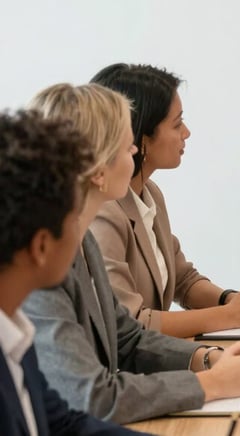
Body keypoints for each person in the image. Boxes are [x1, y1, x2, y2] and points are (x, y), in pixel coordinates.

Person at [21, 83, 240, 424]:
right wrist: (210, 384)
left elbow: (128, 338)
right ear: (97, 170)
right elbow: (93, 397)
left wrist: (209, 357)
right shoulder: (41, 267)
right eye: (128, 147)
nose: (136, 151)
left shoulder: (82, 242)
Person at [87, 63, 240, 338]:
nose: (186, 132)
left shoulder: (150, 193)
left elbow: (183, 281)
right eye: (177, 124)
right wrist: (229, 316)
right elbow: (130, 324)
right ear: (141, 139)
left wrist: (230, 299)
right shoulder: (104, 213)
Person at [0, 111, 147, 435]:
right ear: (41, 247)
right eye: (74, 216)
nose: (84, 228)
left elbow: (65, 422)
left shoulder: (14, 333)